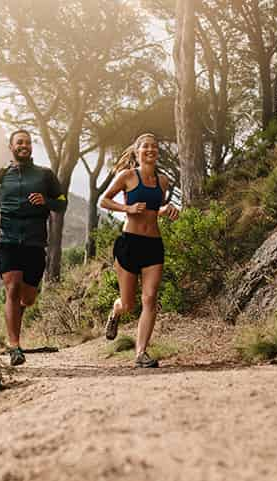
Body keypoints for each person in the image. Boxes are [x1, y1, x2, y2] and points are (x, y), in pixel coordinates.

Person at [0, 129, 68, 366]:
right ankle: (15, 347)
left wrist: (46, 201)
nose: (24, 145)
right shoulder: (1, 176)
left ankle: (18, 315)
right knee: (12, 288)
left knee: (27, 298)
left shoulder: (45, 175)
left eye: (28, 142)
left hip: (35, 241)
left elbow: (62, 203)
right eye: (19, 142)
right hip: (7, 239)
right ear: (11, 147)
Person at [99, 132, 180, 368]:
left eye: (154, 146)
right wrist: (128, 208)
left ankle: (141, 353)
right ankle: (116, 312)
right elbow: (104, 201)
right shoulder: (127, 176)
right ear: (137, 151)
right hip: (129, 244)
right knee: (128, 305)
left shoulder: (163, 181)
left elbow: (155, 210)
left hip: (153, 245)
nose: (150, 150)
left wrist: (165, 211)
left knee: (150, 298)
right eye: (145, 146)